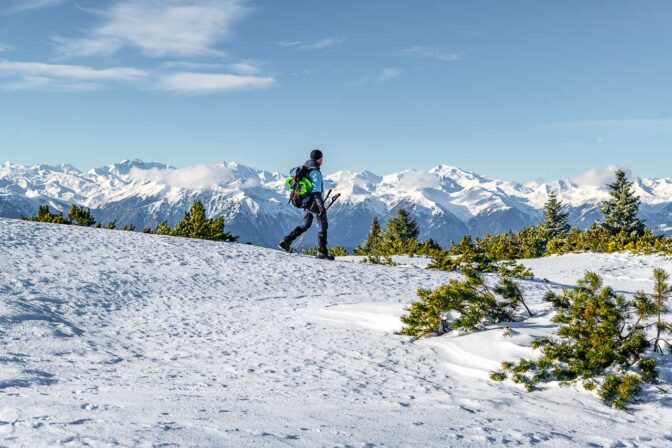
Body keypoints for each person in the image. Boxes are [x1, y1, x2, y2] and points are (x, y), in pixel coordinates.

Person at [279, 149, 334, 260]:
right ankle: (322, 251)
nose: (322, 160)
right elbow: (316, 192)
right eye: (321, 158)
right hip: (313, 202)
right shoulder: (315, 172)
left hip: (305, 201)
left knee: (306, 223)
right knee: (322, 224)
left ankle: (286, 241)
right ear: (319, 159)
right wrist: (321, 207)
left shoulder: (304, 168)